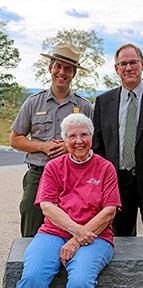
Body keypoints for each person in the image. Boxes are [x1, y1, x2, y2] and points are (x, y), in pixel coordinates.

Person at [9, 113, 121, 288]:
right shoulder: (53, 167)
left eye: (84, 135)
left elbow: (109, 211)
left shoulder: (105, 168)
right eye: (72, 136)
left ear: (92, 137)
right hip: (54, 232)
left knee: (80, 283)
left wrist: (78, 238)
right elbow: (47, 206)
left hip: (96, 236)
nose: (79, 140)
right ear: (64, 139)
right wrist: (75, 231)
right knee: (32, 278)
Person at [92, 43, 143, 246]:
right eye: (123, 64)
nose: (128, 68)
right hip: (117, 183)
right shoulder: (103, 101)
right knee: (120, 242)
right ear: (116, 69)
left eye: (133, 62)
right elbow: (98, 146)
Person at [9, 43, 93, 237]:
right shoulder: (33, 102)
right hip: (38, 175)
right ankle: (30, 266)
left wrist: (72, 146)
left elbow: (94, 143)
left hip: (73, 178)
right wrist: (42, 146)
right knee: (31, 229)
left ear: (74, 74)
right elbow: (15, 139)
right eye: (58, 66)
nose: (62, 72)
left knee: (71, 231)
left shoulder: (84, 106)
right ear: (50, 68)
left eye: (68, 69)